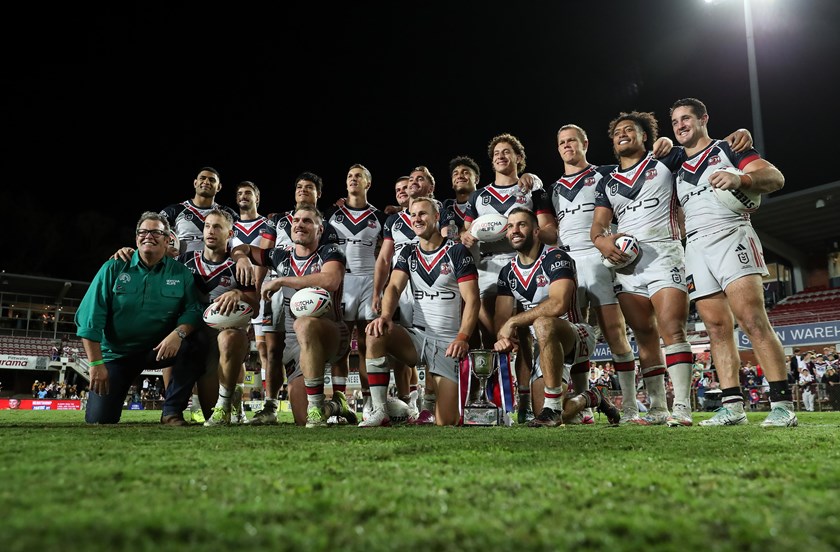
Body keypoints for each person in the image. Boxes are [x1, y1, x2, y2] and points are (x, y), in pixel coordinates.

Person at [669, 97, 797, 428]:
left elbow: (775, 177)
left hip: (731, 234)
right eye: (676, 121)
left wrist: (742, 180)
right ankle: (732, 406)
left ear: (703, 119)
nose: (681, 125)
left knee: (752, 319)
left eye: (686, 118)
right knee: (715, 327)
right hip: (695, 245)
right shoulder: (675, 163)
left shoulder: (729, 149)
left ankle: (782, 404)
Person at [590, 111, 694, 427]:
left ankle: (683, 407)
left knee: (672, 329)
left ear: (644, 136)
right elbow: (598, 225)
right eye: (617, 132)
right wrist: (602, 243)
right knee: (644, 336)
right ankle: (658, 408)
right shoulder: (607, 181)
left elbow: (696, 149)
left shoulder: (665, 160)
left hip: (664, 253)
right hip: (626, 265)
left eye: (629, 129)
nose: (622, 134)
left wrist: (671, 143)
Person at [493, 207, 620, 426]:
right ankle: (593, 396)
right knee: (544, 412)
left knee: (543, 323)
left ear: (536, 231)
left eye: (522, 224)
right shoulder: (507, 272)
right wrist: (503, 336)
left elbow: (558, 304)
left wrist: (514, 321)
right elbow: (501, 318)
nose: (515, 230)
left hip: (576, 334)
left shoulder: (557, 257)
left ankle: (553, 406)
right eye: (510, 226)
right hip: (542, 345)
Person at [361, 196, 479, 427]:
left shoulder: (457, 252)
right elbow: (394, 287)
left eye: (423, 213)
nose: (417, 219)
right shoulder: (408, 252)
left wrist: (463, 337)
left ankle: (429, 406)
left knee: (446, 421)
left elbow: (473, 300)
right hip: (417, 338)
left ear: (437, 217)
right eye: (413, 215)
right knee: (375, 332)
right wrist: (385, 316)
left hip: (447, 343)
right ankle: (380, 410)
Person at [75, 211, 204, 425]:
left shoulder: (181, 273)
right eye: (143, 232)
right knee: (100, 420)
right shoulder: (113, 267)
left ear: (167, 240)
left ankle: (171, 412)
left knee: (197, 343)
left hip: (157, 351)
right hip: (116, 356)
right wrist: (96, 363)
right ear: (136, 239)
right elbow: (90, 318)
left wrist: (179, 333)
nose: (148, 236)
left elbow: (193, 310)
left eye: (155, 232)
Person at [460, 133, 554, 423]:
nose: (501, 156)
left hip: (525, 263)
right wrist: (466, 236)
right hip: (488, 269)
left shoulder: (531, 188)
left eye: (507, 152)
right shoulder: (479, 196)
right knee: (494, 337)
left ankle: (525, 402)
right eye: (496, 153)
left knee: (527, 335)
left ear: (518, 158)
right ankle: (497, 403)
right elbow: (465, 231)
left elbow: (549, 231)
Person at [245, 203, 356, 427]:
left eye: (307, 221)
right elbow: (244, 249)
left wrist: (282, 280)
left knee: (304, 323)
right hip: (295, 344)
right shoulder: (280, 256)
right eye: (296, 220)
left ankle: (316, 407)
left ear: (320, 229)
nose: (299, 224)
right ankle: (335, 406)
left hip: (331, 333)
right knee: (301, 419)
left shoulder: (330, 252)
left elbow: (331, 280)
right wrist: (240, 257)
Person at [324, 164, 388, 418]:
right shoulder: (332, 213)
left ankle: (369, 401)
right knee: (341, 343)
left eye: (358, 176)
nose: (353, 179)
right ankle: (340, 400)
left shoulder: (379, 216)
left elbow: (386, 252)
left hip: (369, 281)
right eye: (350, 176)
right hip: (342, 280)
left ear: (367, 184)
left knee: (366, 342)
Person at [230, 180, 273, 424]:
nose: (243, 196)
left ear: (257, 197)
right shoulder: (230, 226)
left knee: (266, 351)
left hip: (264, 292)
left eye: (248, 192)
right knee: (238, 349)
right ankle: (237, 408)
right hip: (237, 293)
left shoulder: (269, 225)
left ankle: (268, 404)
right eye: (240, 193)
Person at [159, 167, 239, 254]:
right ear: (195, 183)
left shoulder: (228, 214)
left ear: (219, 187)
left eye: (211, 180)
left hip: (217, 262)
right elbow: (153, 233)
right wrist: (163, 249)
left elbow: (243, 238)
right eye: (202, 178)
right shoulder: (173, 211)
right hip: (182, 262)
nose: (206, 182)